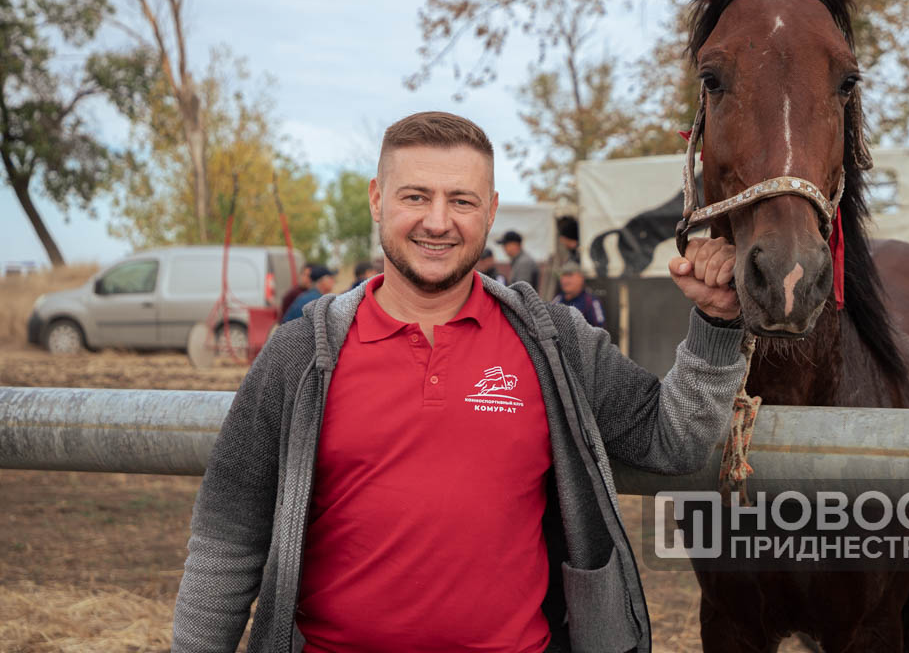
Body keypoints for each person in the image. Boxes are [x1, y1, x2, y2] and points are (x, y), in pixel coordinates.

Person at [173, 110, 745, 652]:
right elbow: (227, 538)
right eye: (415, 196)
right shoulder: (301, 353)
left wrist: (718, 324)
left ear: (491, 211)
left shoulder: (553, 341)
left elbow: (673, 440)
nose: (438, 221)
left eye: (462, 200)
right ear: (377, 199)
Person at [551, 260, 604, 329]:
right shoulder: (557, 300)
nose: (565, 280)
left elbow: (600, 331)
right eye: (563, 275)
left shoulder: (591, 302)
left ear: (581, 278)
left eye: (570, 275)